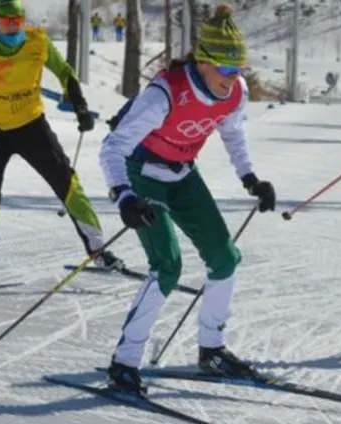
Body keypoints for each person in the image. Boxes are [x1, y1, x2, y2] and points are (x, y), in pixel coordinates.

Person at [97, 3, 276, 394]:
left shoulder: (235, 92)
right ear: (204, 62)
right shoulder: (165, 93)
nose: (233, 78)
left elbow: (233, 133)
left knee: (225, 257)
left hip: (181, 173)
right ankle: (124, 362)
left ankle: (212, 349)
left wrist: (250, 178)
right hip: (143, 173)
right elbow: (113, 147)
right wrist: (124, 197)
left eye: (239, 69)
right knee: (168, 266)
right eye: (226, 69)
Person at [0, 0, 123, 290]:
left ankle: (98, 250)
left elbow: (65, 72)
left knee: (67, 182)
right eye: (7, 23)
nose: (13, 29)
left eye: (17, 22)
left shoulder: (37, 43)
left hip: (31, 127)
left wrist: (80, 106)